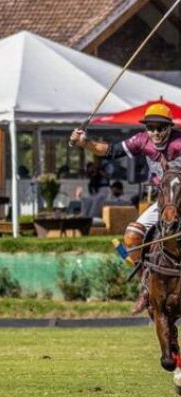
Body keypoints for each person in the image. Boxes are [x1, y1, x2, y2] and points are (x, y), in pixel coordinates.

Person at [70, 102, 181, 314]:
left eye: (160, 127)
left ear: (169, 127)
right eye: (151, 127)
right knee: (131, 236)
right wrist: (85, 143)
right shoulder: (141, 140)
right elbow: (110, 151)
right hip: (164, 201)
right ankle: (147, 289)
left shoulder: (179, 142)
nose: (155, 132)